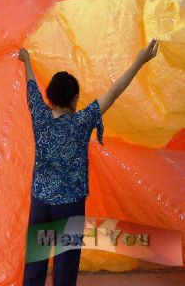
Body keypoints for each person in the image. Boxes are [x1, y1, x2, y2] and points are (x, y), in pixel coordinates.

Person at [19, 39, 159, 286]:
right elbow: (114, 92)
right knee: (65, 267)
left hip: (40, 203)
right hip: (69, 206)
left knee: (35, 265)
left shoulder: (40, 115)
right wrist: (139, 61)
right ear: (74, 98)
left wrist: (27, 60)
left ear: (50, 96)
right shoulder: (82, 121)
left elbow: (31, 85)